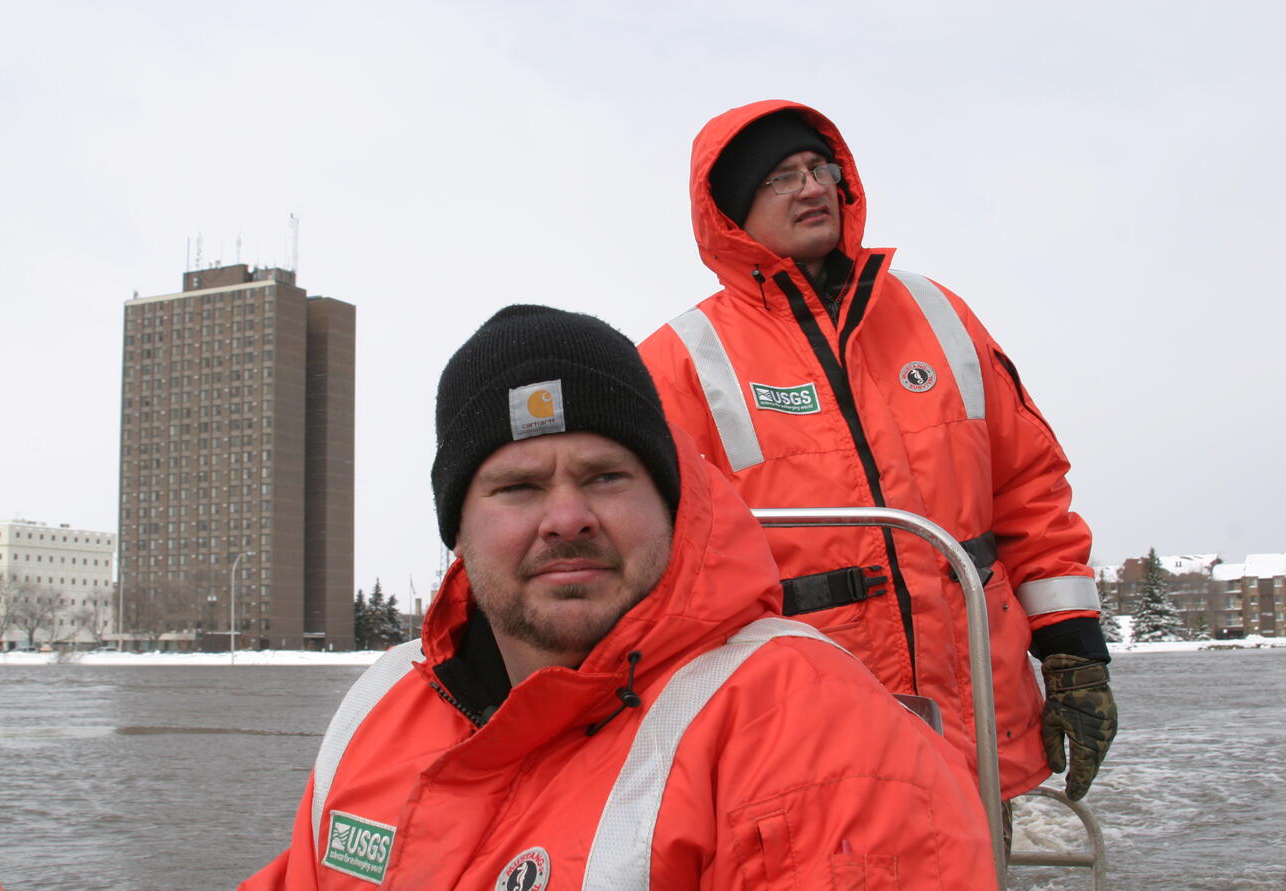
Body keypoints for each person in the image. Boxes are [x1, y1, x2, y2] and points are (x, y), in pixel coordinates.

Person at [242, 305, 994, 890]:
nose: (567, 516)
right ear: (458, 529)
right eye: (519, 487)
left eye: (605, 476)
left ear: (672, 502)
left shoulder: (814, 729)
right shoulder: (378, 709)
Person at [638, 100, 1117, 809]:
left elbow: (1030, 492)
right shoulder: (679, 364)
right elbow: (655, 564)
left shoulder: (939, 315)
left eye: (817, 168)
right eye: (780, 178)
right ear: (733, 211)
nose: (810, 187)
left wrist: (1074, 652)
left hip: (976, 728)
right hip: (804, 753)